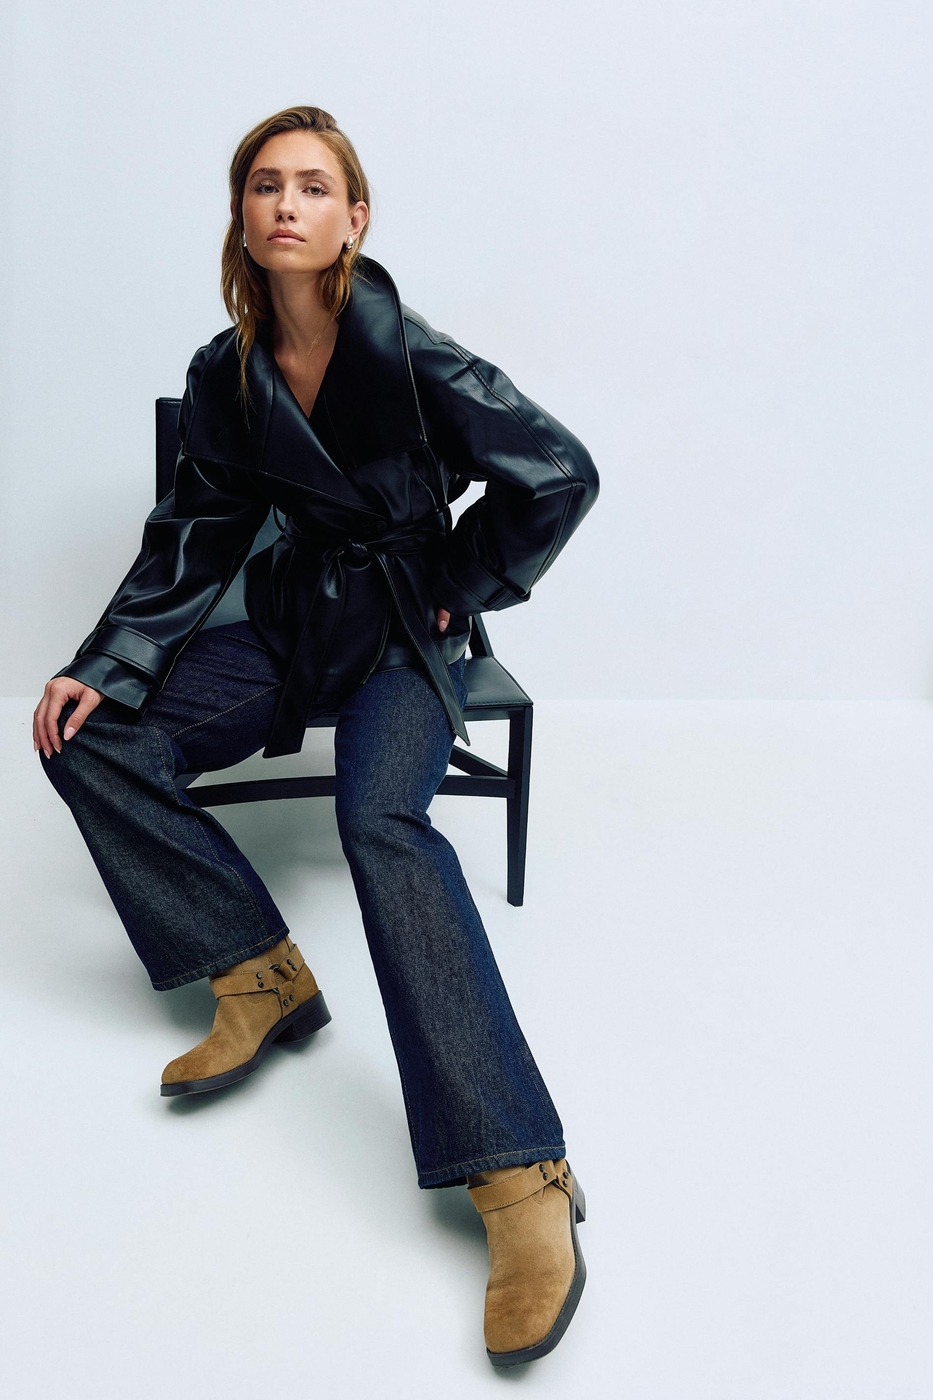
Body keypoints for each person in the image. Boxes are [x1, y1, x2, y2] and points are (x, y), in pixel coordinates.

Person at [33, 106, 599, 1367]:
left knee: (378, 815)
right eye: (264, 185)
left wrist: (458, 575)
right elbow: (191, 543)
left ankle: (520, 1167)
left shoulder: (415, 356)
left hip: (402, 633)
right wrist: (100, 665)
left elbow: (559, 471)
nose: (287, 203)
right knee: (89, 738)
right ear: (243, 218)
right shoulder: (225, 373)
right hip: (296, 627)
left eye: (313, 185)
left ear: (355, 217)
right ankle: (258, 970)